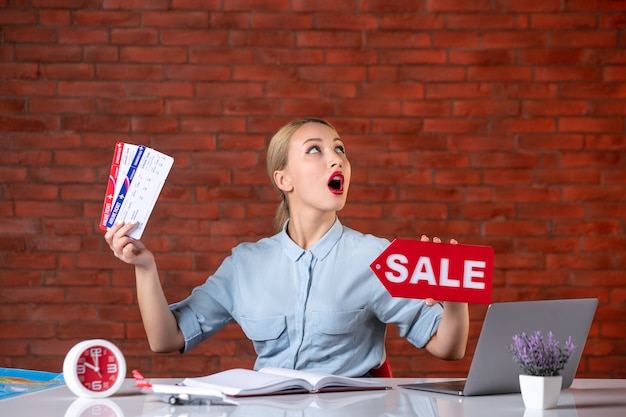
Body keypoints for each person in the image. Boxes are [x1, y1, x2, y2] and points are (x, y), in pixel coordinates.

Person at [104, 117, 469, 377]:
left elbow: (447, 348)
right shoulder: (245, 265)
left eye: (340, 149)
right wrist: (145, 267)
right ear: (284, 178)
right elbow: (167, 338)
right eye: (315, 149)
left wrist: (454, 299)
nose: (336, 158)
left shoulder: (379, 257)